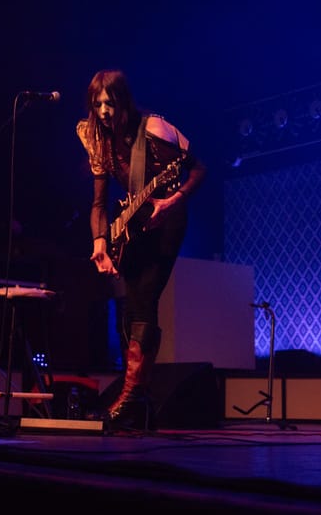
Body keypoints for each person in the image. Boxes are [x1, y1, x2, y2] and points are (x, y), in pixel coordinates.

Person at [75, 69, 206, 432]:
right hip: (133, 228)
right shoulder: (98, 139)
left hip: (167, 222)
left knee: (145, 299)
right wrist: (100, 241)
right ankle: (138, 399)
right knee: (129, 306)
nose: (103, 110)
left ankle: (133, 397)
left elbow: (198, 170)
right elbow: (99, 203)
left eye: (109, 103)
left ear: (123, 101)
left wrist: (172, 200)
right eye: (97, 103)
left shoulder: (154, 129)